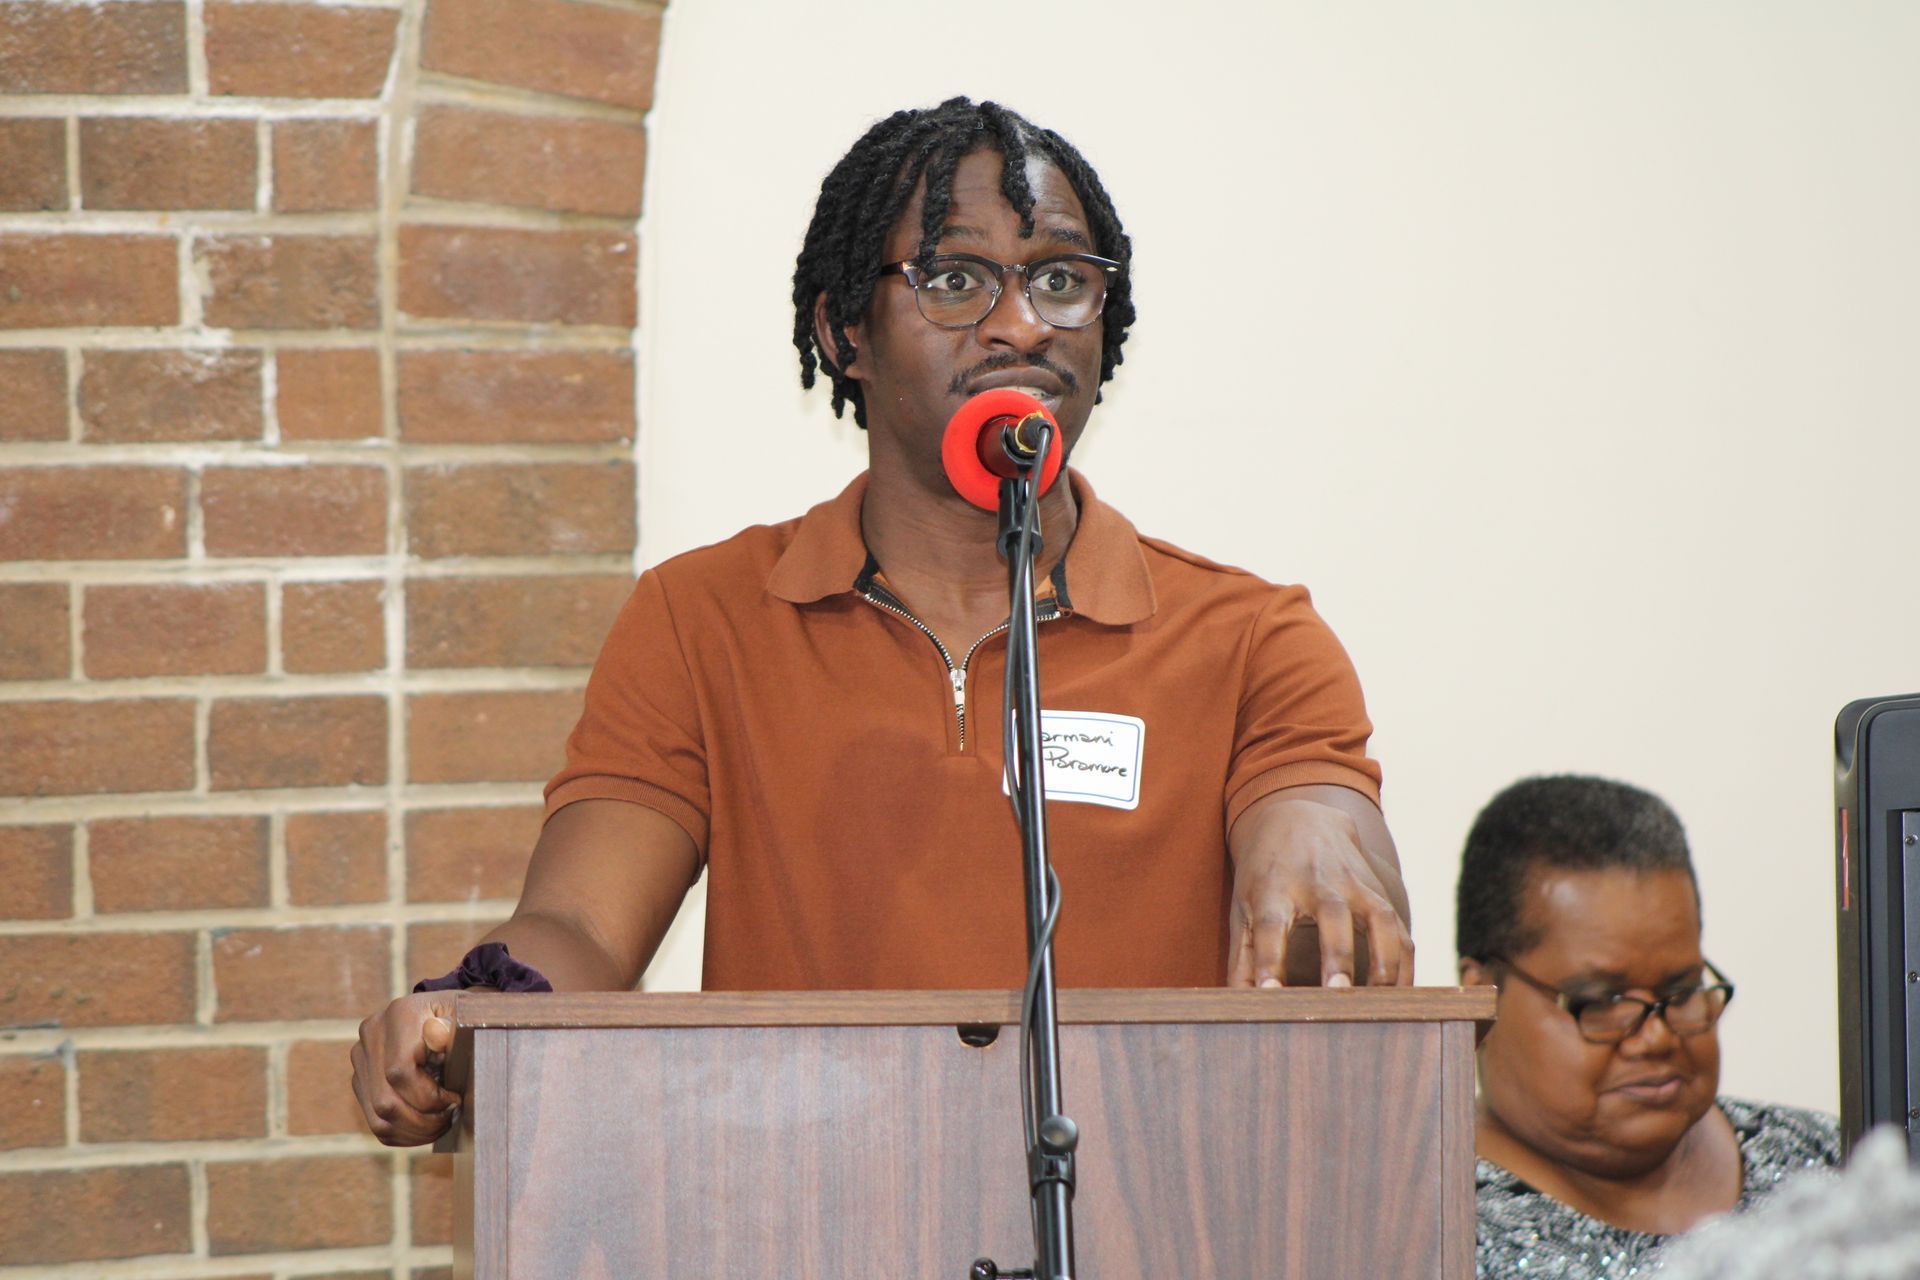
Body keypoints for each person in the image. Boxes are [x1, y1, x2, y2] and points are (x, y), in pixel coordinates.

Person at [354, 97, 1413, 1146]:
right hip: (813, 1209)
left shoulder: (1252, 637)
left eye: (1060, 279)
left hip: (1149, 1219)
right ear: (842, 329)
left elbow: (1328, 852)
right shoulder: (703, 617)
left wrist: (1322, 826)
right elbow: (581, 924)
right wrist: (472, 1012)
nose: (1021, 322)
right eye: (954, 280)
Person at [1456, 775, 1838, 1279]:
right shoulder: (1424, 1237)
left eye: (1680, 991)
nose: (1656, 1036)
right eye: (1600, 1002)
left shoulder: (1831, 1167)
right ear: (1481, 996)